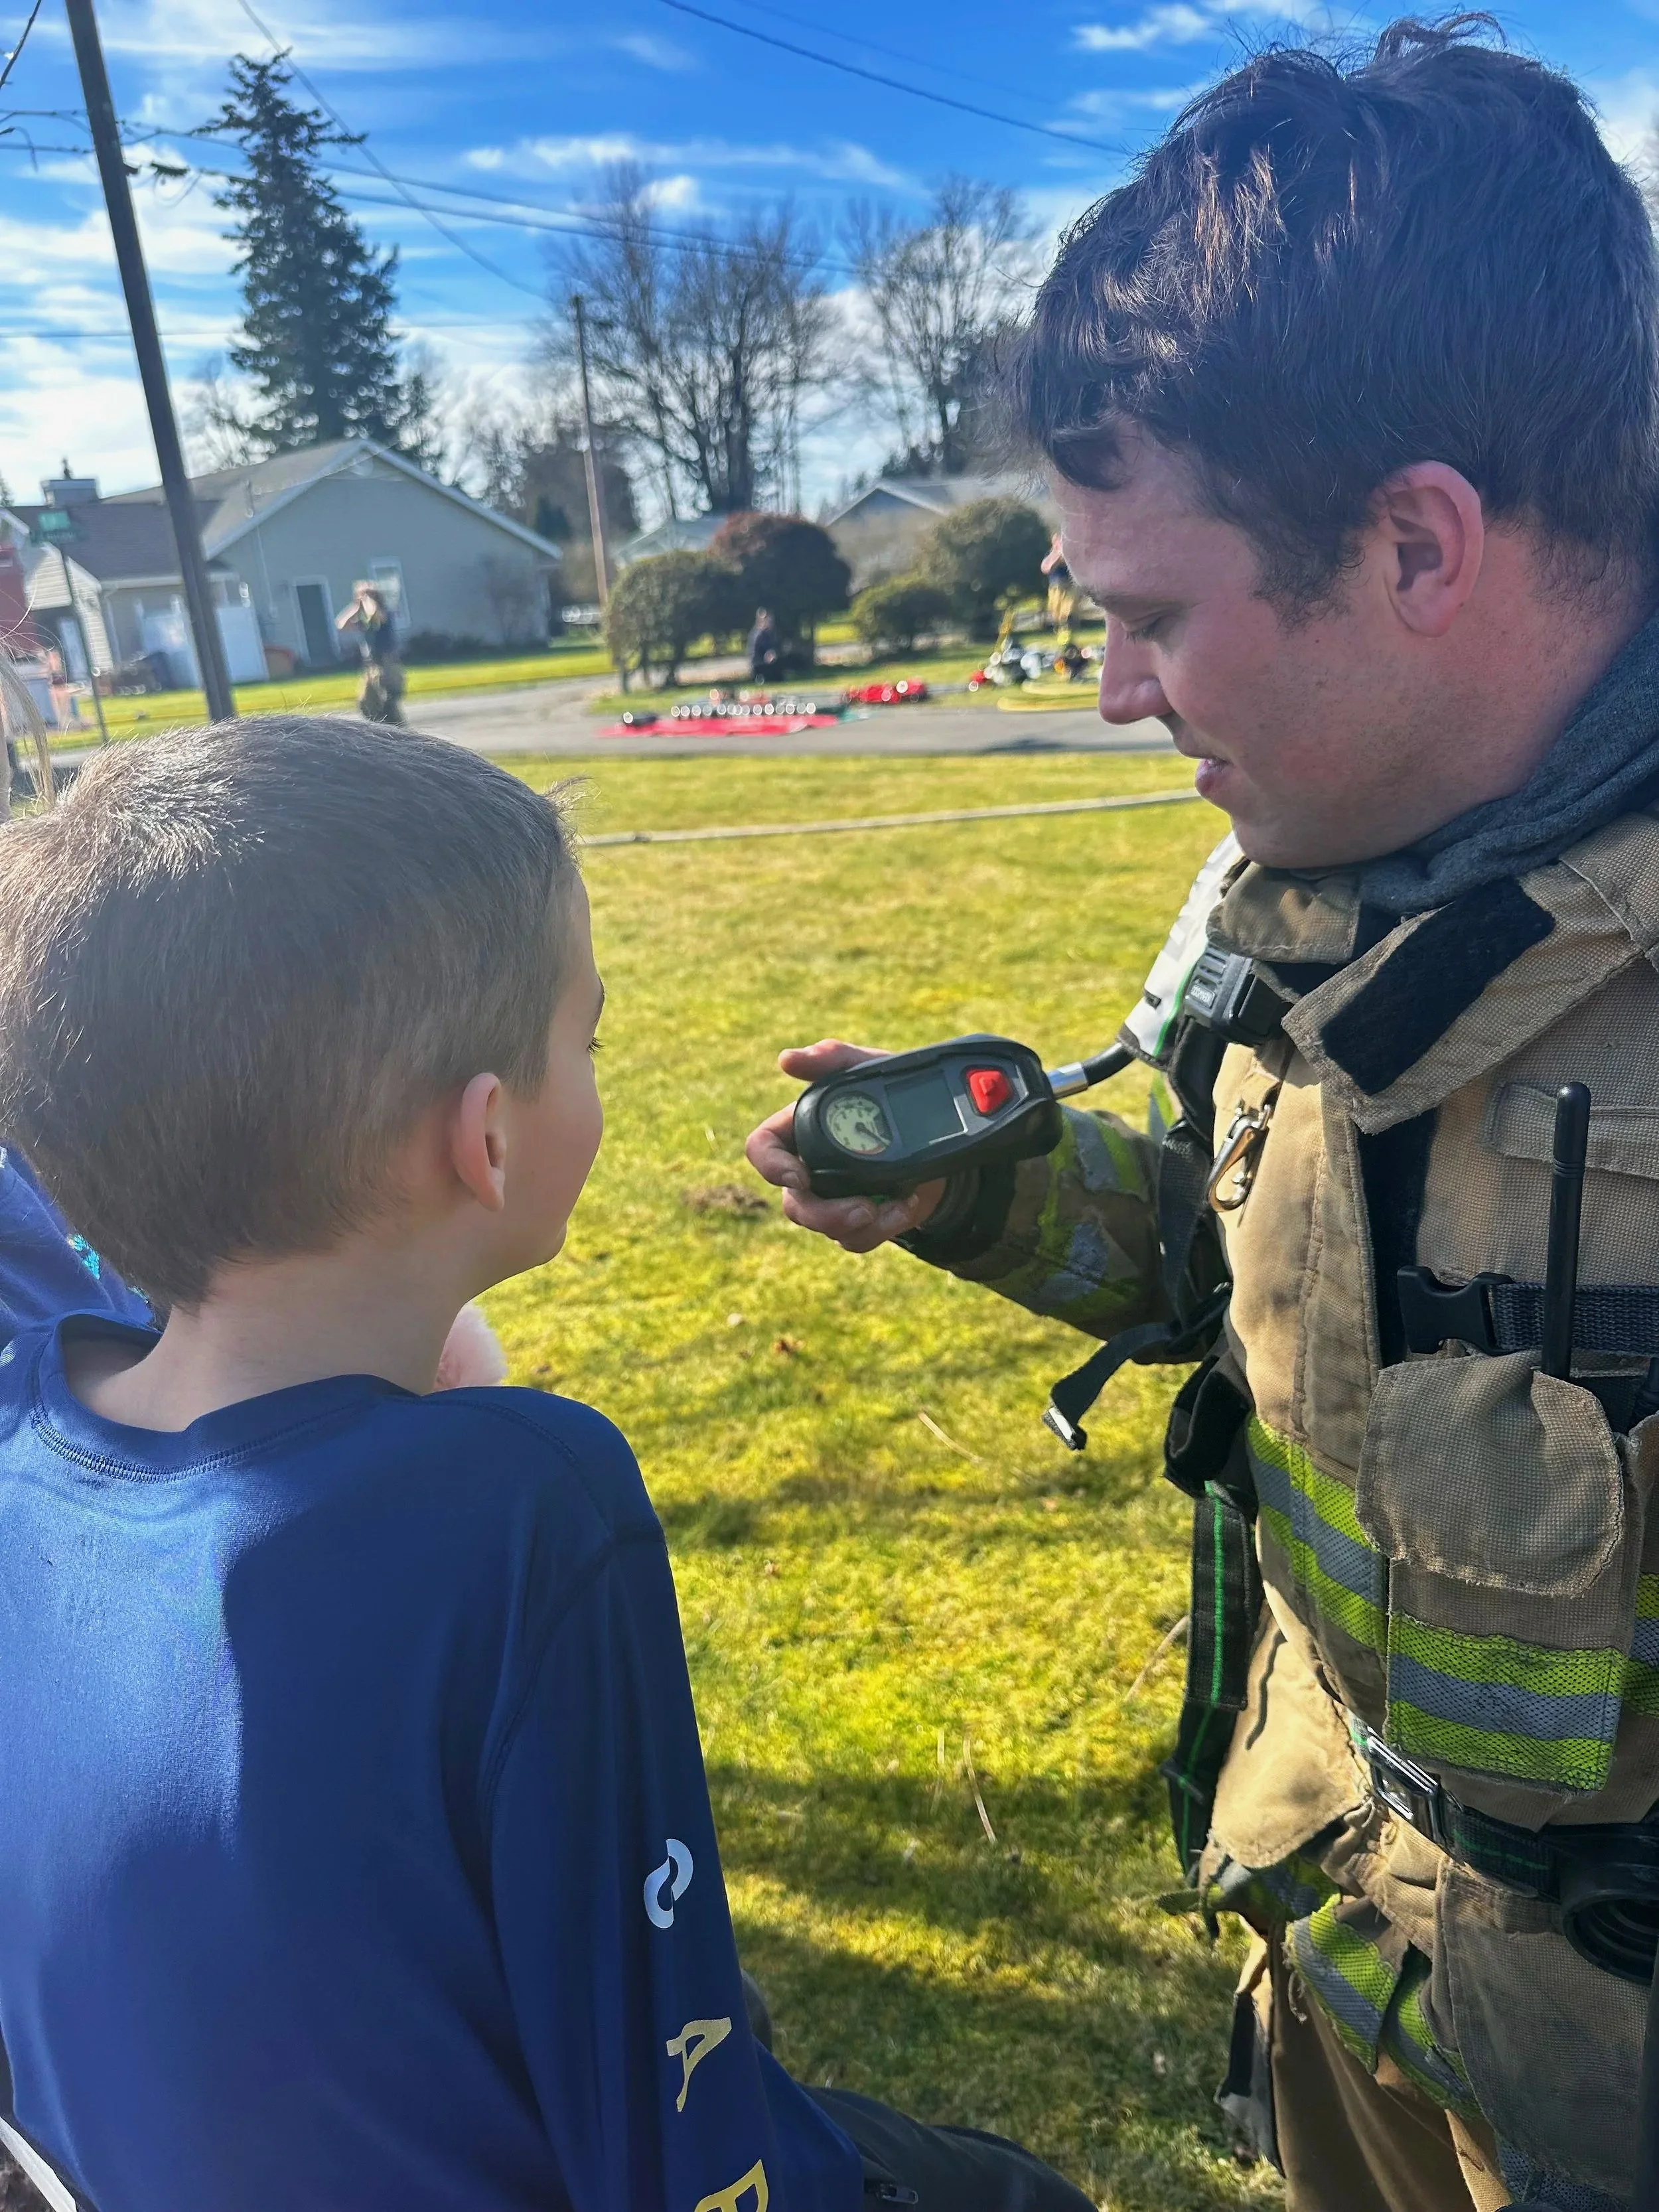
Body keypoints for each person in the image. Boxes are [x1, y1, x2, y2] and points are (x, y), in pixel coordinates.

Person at [749, 21, 1659, 2212]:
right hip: (1351, 1960)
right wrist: (1008, 1195)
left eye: (1150, 611)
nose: (1115, 690)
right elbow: (1261, 1284)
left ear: (1418, 543)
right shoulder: (1310, 879)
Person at [0, 714, 1093, 2212]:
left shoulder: (27, 1452)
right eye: (586, 1036)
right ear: (489, 1139)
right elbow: (668, 2115)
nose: (596, 1074)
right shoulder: (524, 1508)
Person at [336, 580, 406, 725]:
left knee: (389, 701)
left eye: (368, 595)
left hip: (387, 662)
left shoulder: (384, 612)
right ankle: (384, 731)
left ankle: (400, 733)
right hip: (371, 666)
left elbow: (376, 615)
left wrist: (369, 598)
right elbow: (341, 625)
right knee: (366, 704)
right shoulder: (363, 618)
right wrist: (356, 606)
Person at [747, 606, 782, 686]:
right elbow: (757, 651)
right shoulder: (758, 634)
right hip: (759, 664)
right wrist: (767, 655)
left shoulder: (769, 634)